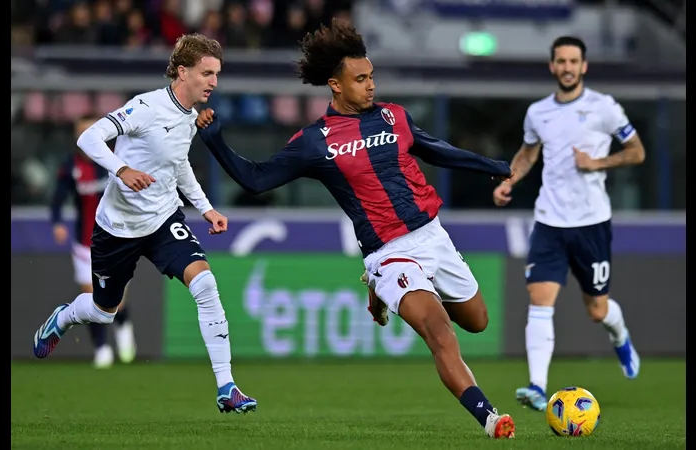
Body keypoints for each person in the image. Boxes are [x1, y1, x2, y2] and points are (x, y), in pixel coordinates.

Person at [196, 19, 516, 438]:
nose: (370, 86)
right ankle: (490, 418)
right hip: (390, 252)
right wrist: (216, 141)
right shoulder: (316, 141)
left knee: (477, 321)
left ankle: (377, 288)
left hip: (433, 236)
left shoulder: (394, 116)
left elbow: (437, 150)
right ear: (335, 85)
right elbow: (256, 179)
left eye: (371, 77)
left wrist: (490, 165)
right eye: (360, 79)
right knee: (439, 332)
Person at [32, 33, 257, 414]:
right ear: (182, 72)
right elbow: (89, 138)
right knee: (105, 310)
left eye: (217, 74)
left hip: (163, 220)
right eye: (207, 73)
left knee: (205, 284)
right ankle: (64, 316)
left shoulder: (190, 118)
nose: (214, 82)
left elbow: (179, 165)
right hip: (117, 228)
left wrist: (205, 208)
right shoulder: (146, 107)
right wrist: (122, 169)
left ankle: (227, 387)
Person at [492, 36, 645, 412]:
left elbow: (637, 152)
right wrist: (510, 180)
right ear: (552, 66)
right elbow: (528, 154)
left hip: (592, 223)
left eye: (573, 61)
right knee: (539, 299)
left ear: (584, 66)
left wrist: (597, 163)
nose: (567, 67)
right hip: (549, 221)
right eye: (561, 61)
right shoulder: (538, 112)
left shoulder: (604, 107)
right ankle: (537, 387)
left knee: (597, 310)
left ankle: (620, 337)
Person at [49, 115, 137, 369]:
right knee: (93, 299)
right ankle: (101, 349)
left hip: (116, 239)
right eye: (80, 132)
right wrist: (57, 222)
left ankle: (123, 326)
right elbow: (58, 198)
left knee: (116, 300)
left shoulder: (115, 161)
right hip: (84, 242)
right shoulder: (71, 166)